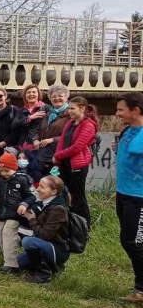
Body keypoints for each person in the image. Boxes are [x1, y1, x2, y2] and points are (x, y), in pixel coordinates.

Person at [0, 152, 35, 274]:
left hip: (15, 214)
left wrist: (24, 204)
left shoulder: (22, 180)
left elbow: (31, 196)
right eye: (2, 171)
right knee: (0, 235)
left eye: (7, 170)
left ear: (14, 168)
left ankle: (12, 265)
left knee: (7, 233)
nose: (4, 173)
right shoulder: (0, 181)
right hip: (2, 214)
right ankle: (8, 258)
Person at [113, 92, 143, 303]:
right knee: (127, 240)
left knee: (136, 242)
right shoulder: (127, 130)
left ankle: (141, 289)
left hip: (139, 197)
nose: (117, 113)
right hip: (123, 193)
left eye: (121, 110)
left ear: (136, 110)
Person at [16, 175, 70, 284]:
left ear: (54, 191)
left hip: (57, 249)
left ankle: (43, 274)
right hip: (45, 244)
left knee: (28, 241)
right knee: (17, 263)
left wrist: (31, 219)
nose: (37, 189)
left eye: (42, 187)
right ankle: (53, 267)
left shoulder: (58, 209)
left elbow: (45, 235)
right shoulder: (45, 203)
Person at [53, 96, 98, 225]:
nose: (69, 111)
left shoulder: (88, 125)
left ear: (82, 108)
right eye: (69, 108)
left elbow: (77, 147)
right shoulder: (70, 123)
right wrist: (57, 155)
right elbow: (62, 141)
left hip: (77, 165)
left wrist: (58, 155)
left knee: (78, 196)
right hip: (64, 163)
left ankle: (84, 225)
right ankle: (71, 223)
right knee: (65, 194)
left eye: (72, 108)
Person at [29, 84, 71, 177]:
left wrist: (52, 140)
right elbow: (39, 130)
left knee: (58, 183)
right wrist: (35, 139)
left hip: (60, 157)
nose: (57, 98)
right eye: (54, 96)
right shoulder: (48, 114)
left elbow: (71, 136)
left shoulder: (70, 114)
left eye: (60, 96)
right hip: (44, 156)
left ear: (66, 97)